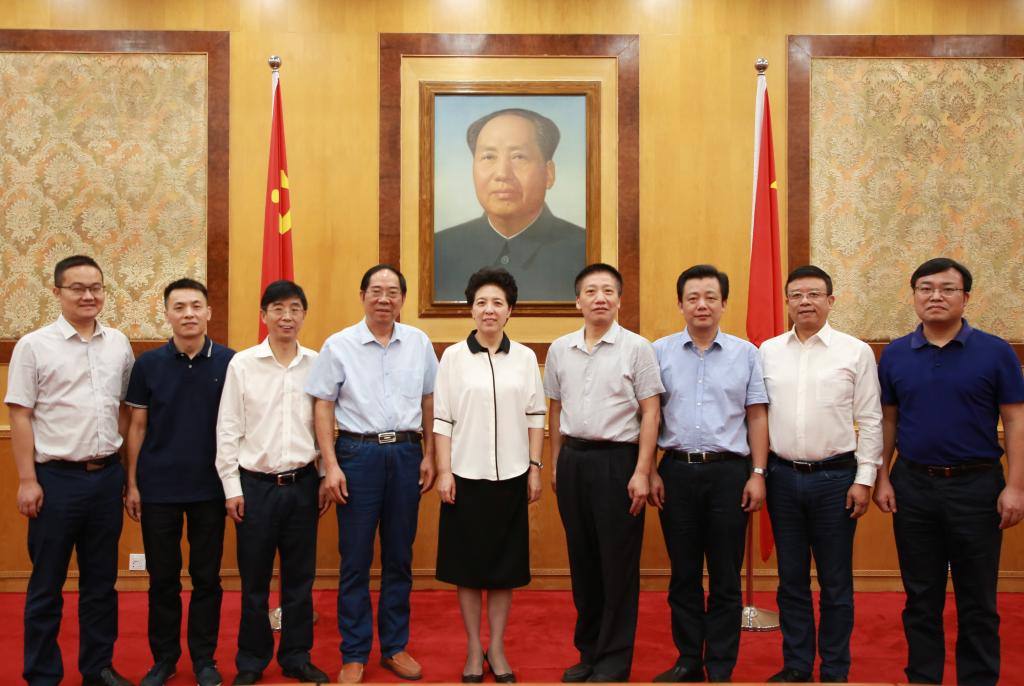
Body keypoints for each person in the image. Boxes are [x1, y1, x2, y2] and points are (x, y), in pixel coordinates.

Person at [873, 257, 1024, 686]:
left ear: (966, 297)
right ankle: (924, 677)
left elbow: (1015, 419)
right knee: (921, 597)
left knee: (978, 598)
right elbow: (887, 421)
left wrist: (1016, 486)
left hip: (977, 487)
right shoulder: (896, 354)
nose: (935, 296)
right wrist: (883, 477)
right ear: (914, 296)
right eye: (925, 288)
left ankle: (978, 678)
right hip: (913, 486)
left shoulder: (996, 352)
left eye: (947, 288)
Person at [305, 264, 438, 684]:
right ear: (362, 295)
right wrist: (330, 466)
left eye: (393, 291)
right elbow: (323, 405)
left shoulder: (418, 342)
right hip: (356, 454)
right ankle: (354, 652)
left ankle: (395, 646)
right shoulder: (338, 344)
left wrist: (430, 454)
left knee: (400, 556)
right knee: (355, 559)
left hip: (406, 453)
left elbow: (430, 400)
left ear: (403, 299)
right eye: (376, 290)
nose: (384, 298)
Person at [6, 255, 135, 686]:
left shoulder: (118, 343)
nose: (88, 295)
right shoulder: (34, 346)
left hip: (106, 478)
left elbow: (125, 409)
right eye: (77, 288)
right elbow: (20, 414)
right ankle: (42, 674)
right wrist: (27, 480)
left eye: (95, 287)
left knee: (101, 584)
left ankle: (98, 668)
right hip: (55, 480)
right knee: (47, 584)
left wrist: (126, 474)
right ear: (57, 291)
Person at [759, 265, 882, 683]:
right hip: (782, 477)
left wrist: (865, 479)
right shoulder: (768, 351)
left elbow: (871, 419)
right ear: (787, 302)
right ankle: (796, 665)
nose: (805, 302)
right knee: (791, 580)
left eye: (814, 294)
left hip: (836, 480)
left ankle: (834, 669)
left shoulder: (855, 352)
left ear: (830, 301)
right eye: (796, 295)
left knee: (835, 581)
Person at [544, 262, 664, 683]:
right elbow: (555, 409)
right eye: (591, 291)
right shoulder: (560, 349)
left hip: (619, 463)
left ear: (619, 300)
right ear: (577, 301)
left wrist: (643, 471)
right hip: (574, 461)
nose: (600, 298)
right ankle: (589, 651)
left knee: (617, 566)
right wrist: (556, 463)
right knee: (584, 563)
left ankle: (613, 660)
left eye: (608, 291)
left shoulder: (637, 348)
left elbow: (651, 413)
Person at [649, 265, 769, 683]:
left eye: (710, 297)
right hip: (676, 472)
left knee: (725, 576)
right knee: (683, 574)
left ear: (724, 303)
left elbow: (757, 416)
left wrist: (758, 473)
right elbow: (648, 416)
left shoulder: (746, 354)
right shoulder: (659, 352)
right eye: (693, 298)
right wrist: (650, 470)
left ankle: (719, 665)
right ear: (680, 303)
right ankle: (688, 659)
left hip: (728, 475)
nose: (702, 305)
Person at [433, 267, 546, 683]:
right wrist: (444, 471)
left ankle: (496, 648)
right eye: (481, 302)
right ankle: (471, 648)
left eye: (498, 302)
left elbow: (536, 415)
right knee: (467, 570)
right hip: (464, 478)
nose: (489, 310)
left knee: (504, 571)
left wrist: (535, 468)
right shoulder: (453, 358)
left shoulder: (525, 358)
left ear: (510, 310)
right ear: (471, 309)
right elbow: (442, 419)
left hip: (512, 478)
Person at [215, 280, 330, 686]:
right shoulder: (243, 364)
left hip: (303, 484)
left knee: (300, 579)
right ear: (264, 315)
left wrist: (323, 476)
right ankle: (251, 660)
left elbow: (325, 427)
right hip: (256, 487)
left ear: (304, 315)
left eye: (295, 308)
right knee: (255, 581)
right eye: (278, 308)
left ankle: (296, 656)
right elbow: (228, 429)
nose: (287, 316)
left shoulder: (317, 364)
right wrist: (231, 487)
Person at [124, 278, 234, 686]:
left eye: (196, 306)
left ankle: (204, 659)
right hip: (158, 489)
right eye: (179, 307)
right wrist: (132, 483)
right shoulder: (147, 365)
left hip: (211, 488)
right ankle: (165, 659)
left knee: (207, 578)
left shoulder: (231, 362)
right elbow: (136, 426)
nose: (188, 314)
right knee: (163, 579)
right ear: (167, 313)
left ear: (208, 312)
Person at [434, 108, 586, 302]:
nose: (502, 174)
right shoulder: (437, 251)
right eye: (489, 157)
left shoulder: (586, 251)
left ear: (549, 174)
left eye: (518, 157)